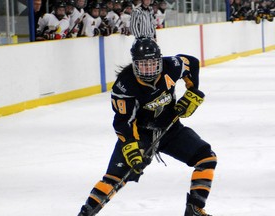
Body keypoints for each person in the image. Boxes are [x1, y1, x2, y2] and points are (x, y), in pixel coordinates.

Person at [77, 37, 217, 216]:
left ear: (159, 60)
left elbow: (192, 63)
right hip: (140, 133)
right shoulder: (124, 85)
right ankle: (85, 213)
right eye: (143, 65)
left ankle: (195, 209)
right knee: (114, 178)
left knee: (206, 158)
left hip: (170, 128)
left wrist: (192, 92)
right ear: (134, 64)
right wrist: (131, 147)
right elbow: (123, 122)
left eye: (152, 64)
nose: (149, 69)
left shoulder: (171, 65)